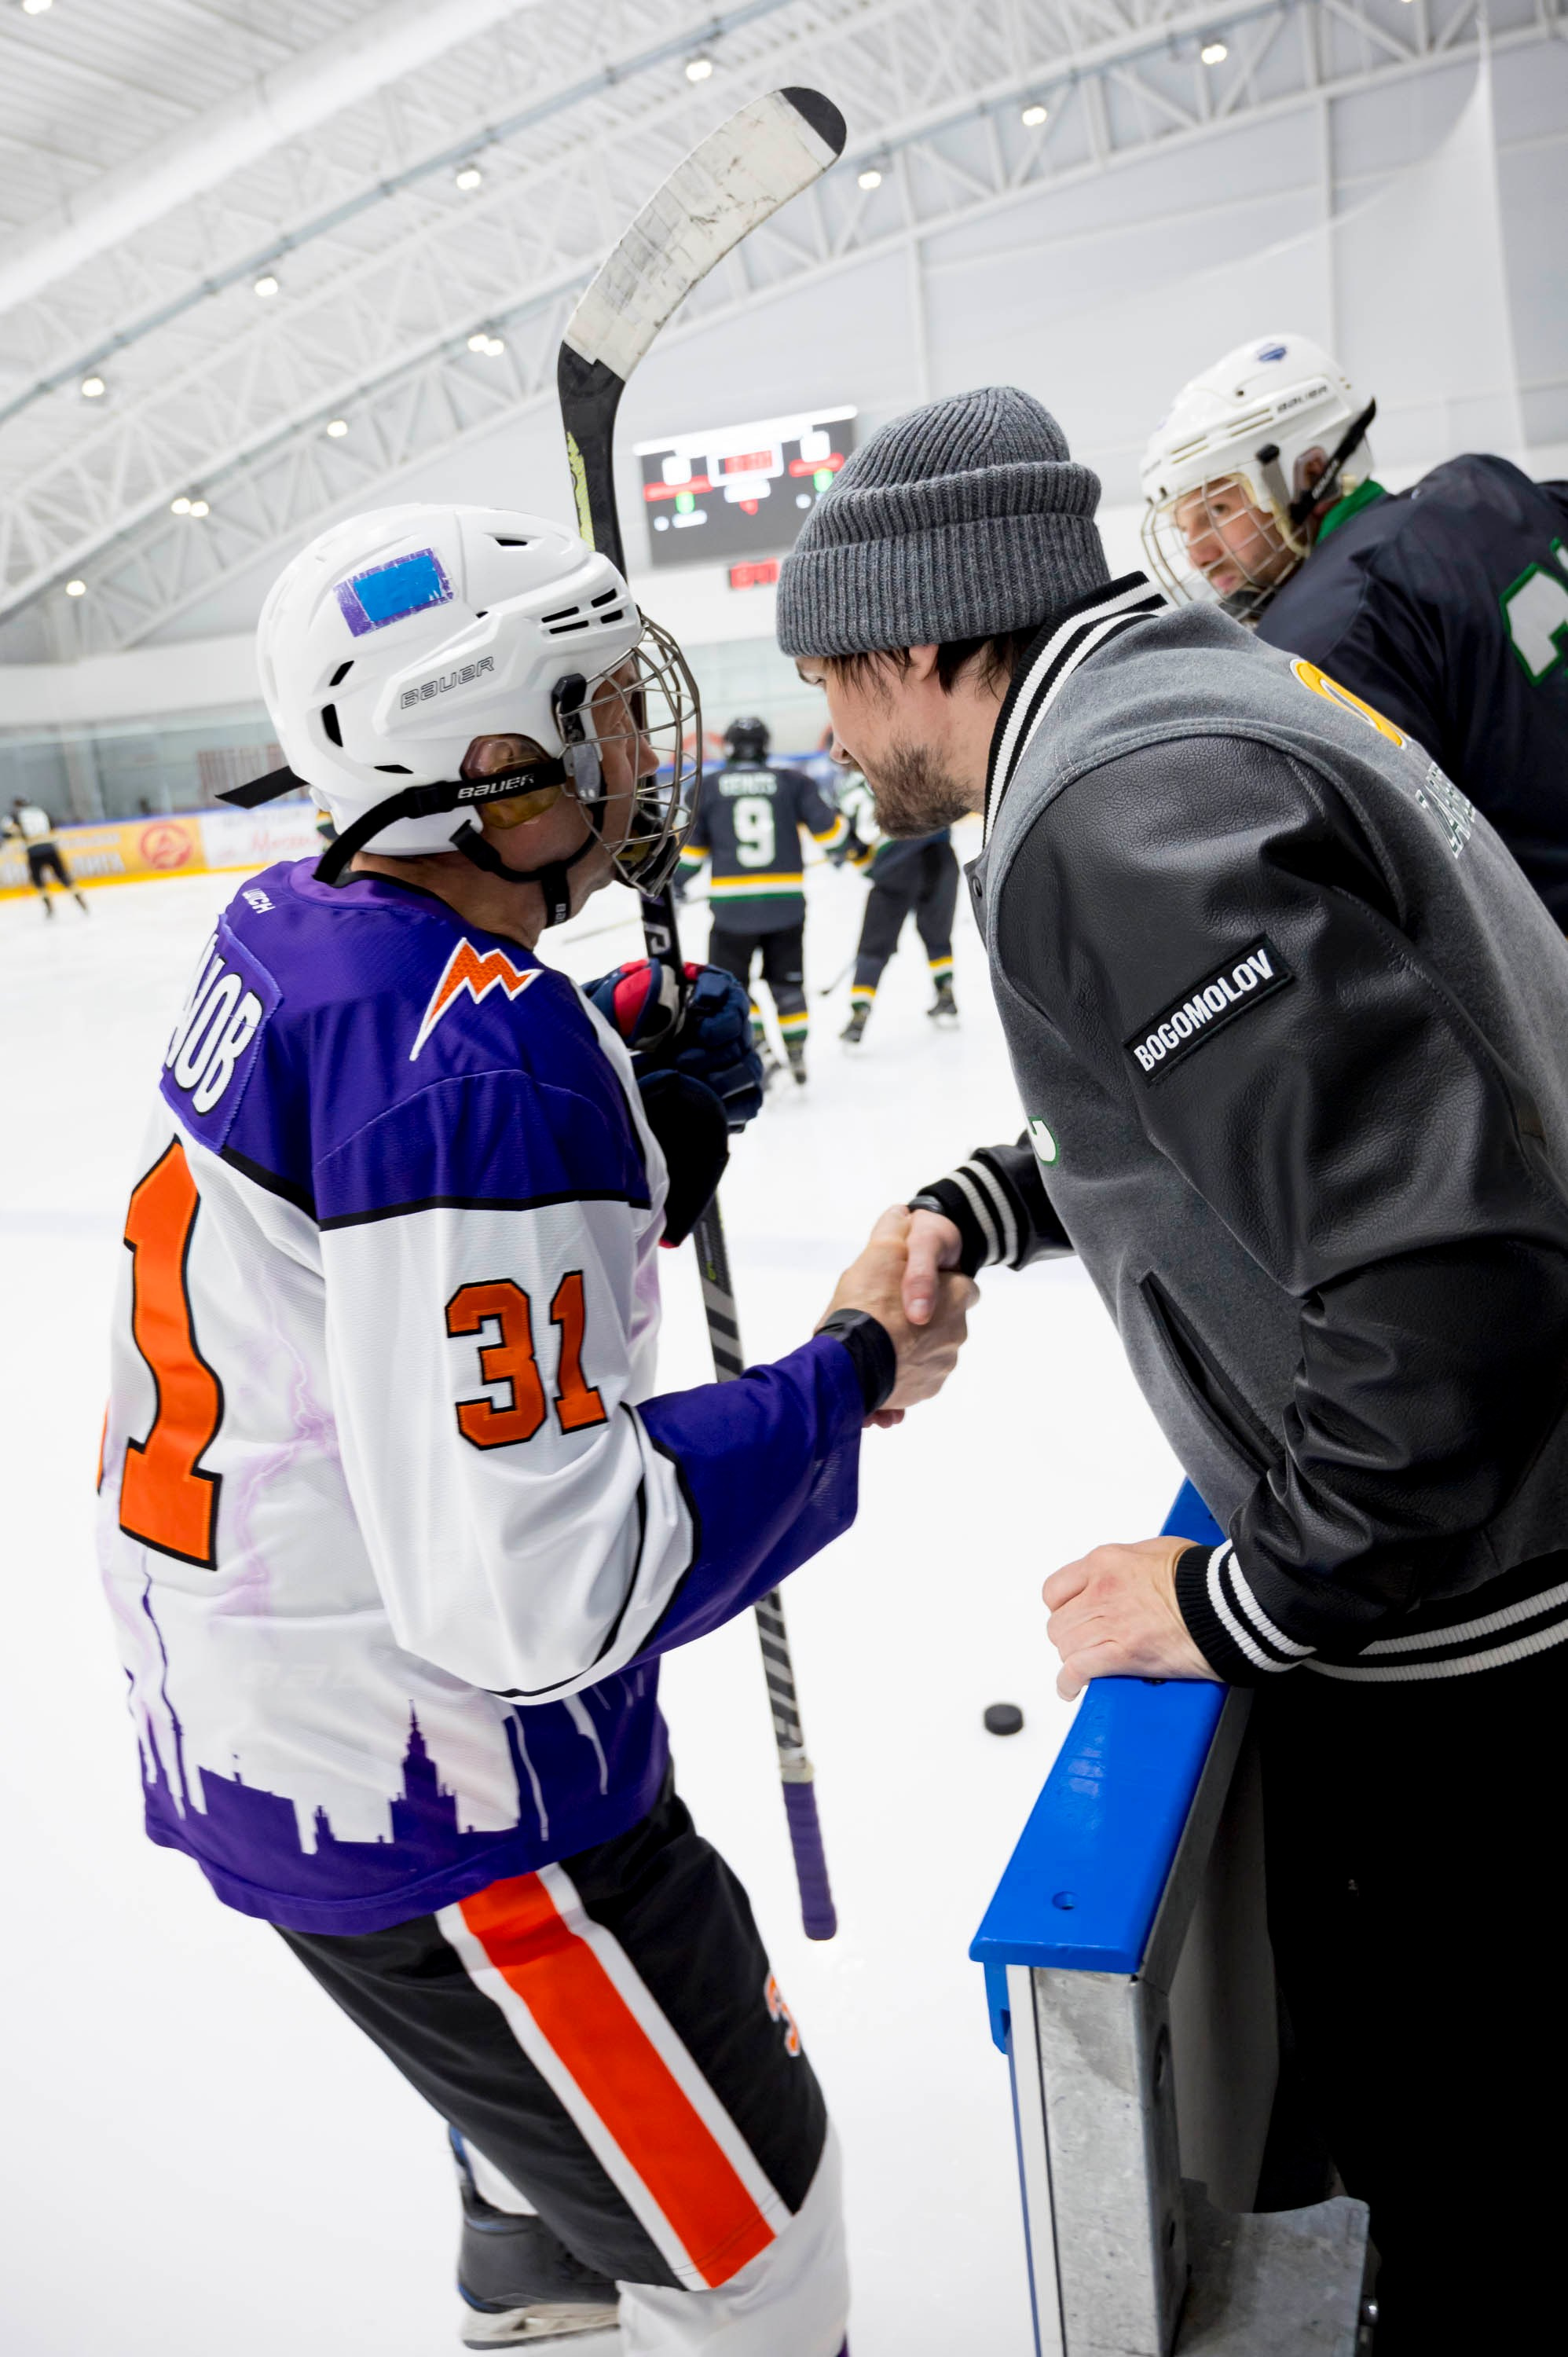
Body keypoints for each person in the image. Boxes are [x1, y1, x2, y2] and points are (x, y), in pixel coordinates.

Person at [97, 503, 973, 2356]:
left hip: (277, 1718)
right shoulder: (483, 1061)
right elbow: (541, 1586)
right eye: (597, 708)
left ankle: (542, 2299)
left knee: (545, 2167)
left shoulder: (294, 930)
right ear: (489, 762)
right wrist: (845, 1376)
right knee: (755, 2241)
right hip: (452, 1796)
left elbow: (381, 1274)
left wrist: (644, 1130)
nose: (637, 745)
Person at [777, 384, 1568, 2355]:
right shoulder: (1175, 705)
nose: (823, 736)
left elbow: (1440, 1267)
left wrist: (1245, 1592)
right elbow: (1244, 1113)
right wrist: (991, 1197)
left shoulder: (1112, 808)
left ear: (909, 645)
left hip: (1478, 1657)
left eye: (826, 685)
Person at [1141, 331, 1568, 923]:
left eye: (1217, 509)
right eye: (1184, 526)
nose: (1199, 553)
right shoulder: (1490, 485)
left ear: (1312, 469)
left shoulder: (1328, 629)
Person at [676, 716, 849, 1086]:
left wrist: (676, 885)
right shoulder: (792, 782)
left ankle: (760, 1044)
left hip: (731, 912)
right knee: (787, 985)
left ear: (729, 747)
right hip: (786, 908)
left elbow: (691, 854)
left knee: (733, 987)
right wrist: (846, 850)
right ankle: (797, 1052)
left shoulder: (708, 788)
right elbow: (831, 835)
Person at [833, 770, 958, 1046]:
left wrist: (871, 868)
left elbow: (846, 843)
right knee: (937, 935)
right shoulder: (904, 759)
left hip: (894, 864)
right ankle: (946, 993)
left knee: (873, 948)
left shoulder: (846, 788)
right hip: (939, 856)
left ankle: (859, 1014)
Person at [5, 796, 90, 915]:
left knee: (38, 879)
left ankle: (49, 906)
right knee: (63, 875)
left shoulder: (16, 816)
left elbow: (8, 832)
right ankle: (80, 899)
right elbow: (54, 826)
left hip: (33, 849)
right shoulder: (41, 812)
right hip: (50, 847)